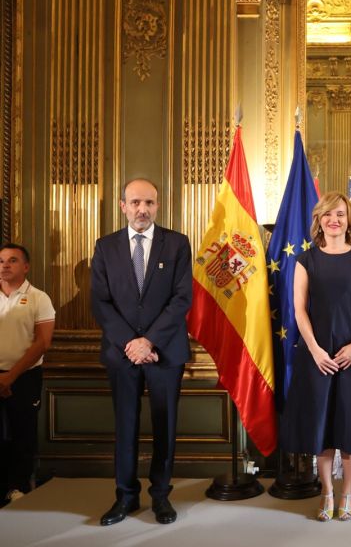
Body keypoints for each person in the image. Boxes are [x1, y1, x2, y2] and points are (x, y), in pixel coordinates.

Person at [91, 178, 192, 525]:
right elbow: (101, 303)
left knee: (165, 425)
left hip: (165, 351)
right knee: (126, 426)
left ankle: (161, 497)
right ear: (123, 206)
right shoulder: (105, 247)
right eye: (134, 203)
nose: (142, 210)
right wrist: (130, 344)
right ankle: (126, 497)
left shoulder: (177, 244)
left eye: (148, 202)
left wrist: (149, 342)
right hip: (122, 354)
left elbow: (182, 299)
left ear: (158, 205)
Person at [280, 191, 351, 522]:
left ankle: (348, 494)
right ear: (319, 220)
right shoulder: (306, 260)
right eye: (327, 215)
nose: (334, 220)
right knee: (322, 429)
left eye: (340, 214)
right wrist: (314, 349)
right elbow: (298, 308)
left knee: (349, 429)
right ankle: (326, 494)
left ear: (348, 219)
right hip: (318, 354)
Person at [0, 243, 55, 506]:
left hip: (24, 377)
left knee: (22, 435)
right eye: (1, 261)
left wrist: (9, 377)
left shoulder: (38, 298)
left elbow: (42, 343)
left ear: (26, 266)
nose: (5, 265)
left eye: (12, 260)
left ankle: (18, 487)